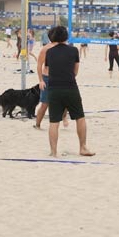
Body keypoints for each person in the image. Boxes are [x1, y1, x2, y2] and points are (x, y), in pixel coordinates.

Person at [44, 26, 94, 157]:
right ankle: (83, 148)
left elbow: (47, 70)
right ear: (66, 36)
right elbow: (75, 71)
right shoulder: (73, 50)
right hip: (70, 87)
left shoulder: (49, 52)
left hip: (54, 88)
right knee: (80, 117)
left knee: (54, 121)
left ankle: (53, 151)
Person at [34, 28, 68, 129]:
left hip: (61, 78)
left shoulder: (65, 48)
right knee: (45, 104)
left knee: (66, 101)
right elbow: (39, 65)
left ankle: (64, 117)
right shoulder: (46, 49)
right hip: (47, 78)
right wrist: (41, 80)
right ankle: (37, 124)